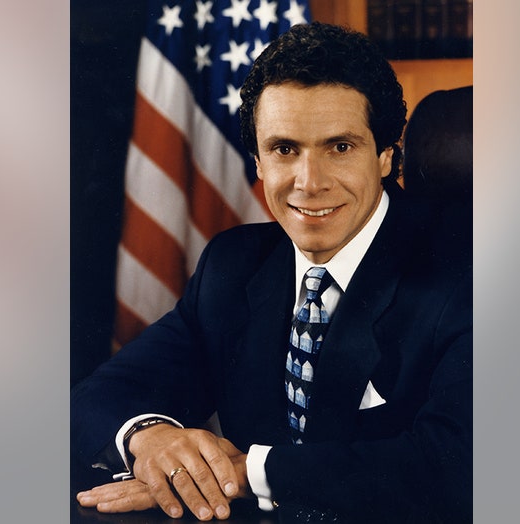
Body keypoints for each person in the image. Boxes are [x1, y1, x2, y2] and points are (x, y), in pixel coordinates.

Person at [72, 22, 472, 523]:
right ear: (259, 162)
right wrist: (153, 437)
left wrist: (248, 473)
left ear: (387, 155)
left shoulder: (468, 273)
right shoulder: (233, 264)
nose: (309, 182)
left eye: (339, 147)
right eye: (285, 149)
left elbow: (457, 468)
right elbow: (98, 395)